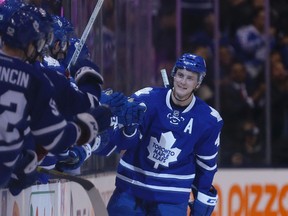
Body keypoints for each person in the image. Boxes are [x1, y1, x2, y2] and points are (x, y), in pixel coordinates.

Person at [0, 7, 110, 194]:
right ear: (31, 42)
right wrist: (85, 128)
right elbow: (56, 138)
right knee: (27, 162)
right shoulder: (35, 80)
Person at [107, 53, 224, 216]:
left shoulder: (208, 119)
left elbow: (206, 166)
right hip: (131, 189)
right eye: (180, 75)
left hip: (172, 198)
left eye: (190, 78)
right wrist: (128, 128)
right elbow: (123, 143)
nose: (183, 82)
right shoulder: (146, 99)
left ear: (198, 83)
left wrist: (201, 201)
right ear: (173, 75)